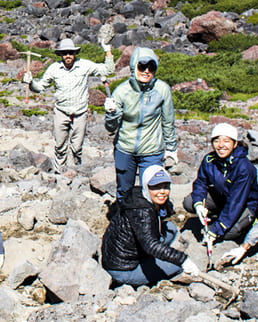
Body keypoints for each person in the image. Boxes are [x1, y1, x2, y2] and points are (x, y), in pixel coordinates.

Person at [104, 47, 178, 203]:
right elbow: (111, 128)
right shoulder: (121, 91)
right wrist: (111, 113)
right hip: (125, 149)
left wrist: (171, 148)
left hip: (152, 151)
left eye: (151, 67)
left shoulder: (162, 89)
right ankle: (125, 223)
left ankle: (154, 224)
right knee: (124, 191)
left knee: (153, 192)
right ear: (133, 67)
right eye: (142, 66)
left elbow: (168, 121)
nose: (146, 71)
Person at [26, 37, 111, 170]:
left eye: (70, 53)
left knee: (77, 148)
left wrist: (108, 51)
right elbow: (40, 87)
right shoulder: (54, 69)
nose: (68, 56)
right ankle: (60, 173)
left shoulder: (84, 65)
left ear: (75, 53)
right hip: (61, 112)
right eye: (65, 53)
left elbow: (108, 70)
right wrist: (31, 83)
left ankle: (76, 170)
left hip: (80, 112)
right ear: (60, 54)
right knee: (60, 147)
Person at [100, 165, 189, 286]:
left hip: (117, 256)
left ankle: (153, 259)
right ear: (147, 187)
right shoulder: (142, 211)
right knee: (177, 265)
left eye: (165, 186)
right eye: (156, 187)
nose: (162, 191)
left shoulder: (138, 195)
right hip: (123, 269)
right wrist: (183, 260)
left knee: (170, 228)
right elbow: (150, 245)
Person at [183, 122, 258, 244]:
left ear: (235, 144)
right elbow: (200, 183)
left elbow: (236, 202)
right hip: (223, 198)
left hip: (244, 204)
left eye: (226, 141)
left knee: (230, 232)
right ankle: (219, 218)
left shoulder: (244, 167)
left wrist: (215, 230)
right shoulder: (209, 160)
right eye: (216, 141)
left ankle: (243, 222)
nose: (221, 145)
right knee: (190, 202)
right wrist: (199, 204)